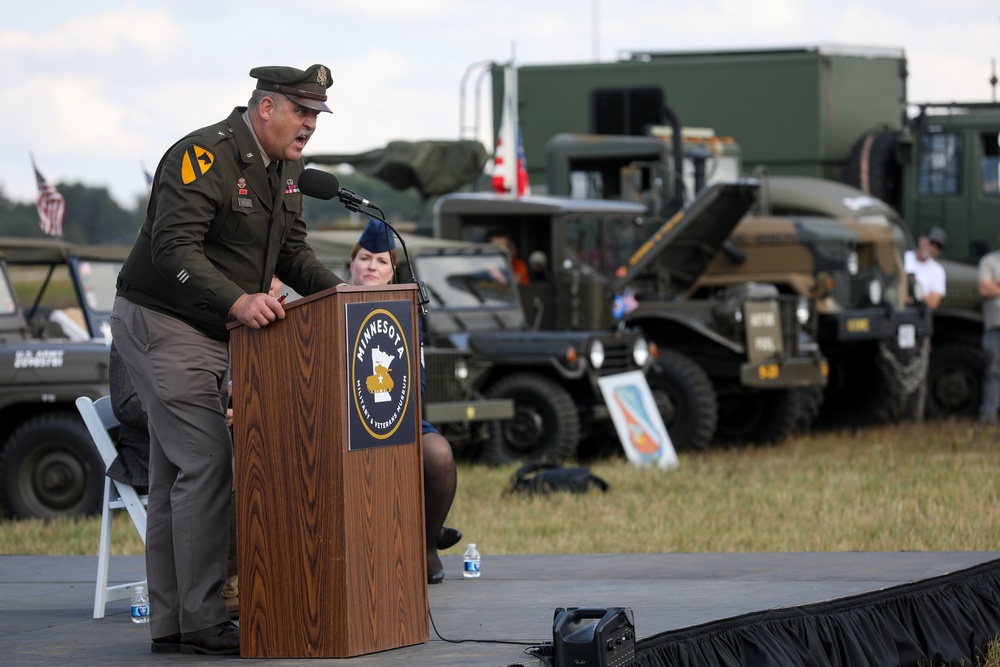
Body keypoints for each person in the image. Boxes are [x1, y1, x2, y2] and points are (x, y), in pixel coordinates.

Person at [110, 64, 345, 656]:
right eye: (303, 112)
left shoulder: (285, 168)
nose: (311, 126)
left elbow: (291, 251)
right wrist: (238, 300)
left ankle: (174, 624)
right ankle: (202, 617)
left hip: (215, 328)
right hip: (164, 320)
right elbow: (173, 250)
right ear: (266, 108)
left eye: (316, 115)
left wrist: (342, 298)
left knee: (174, 478)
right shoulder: (201, 156)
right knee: (207, 462)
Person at [349, 217, 461, 584]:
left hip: (399, 411)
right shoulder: (328, 302)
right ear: (352, 262)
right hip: (346, 416)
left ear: (392, 270)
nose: (371, 267)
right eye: (365, 258)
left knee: (439, 454)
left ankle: (427, 542)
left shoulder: (407, 307)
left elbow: (420, 381)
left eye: (381, 262)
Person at [978, 234, 1000, 424]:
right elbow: (984, 289)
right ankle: (988, 415)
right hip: (994, 325)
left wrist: (997, 284)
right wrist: (991, 286)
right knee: (992, 370)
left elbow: (991, 287)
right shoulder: (989, 261)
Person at [904, 226, 947, 309]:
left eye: (938, 246)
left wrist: (915, 293)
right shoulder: (903, 257)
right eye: (932, 242)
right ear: (921, 240)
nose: (933, 248)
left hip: (919, 313)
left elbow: (934, 303)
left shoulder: (938, 270)